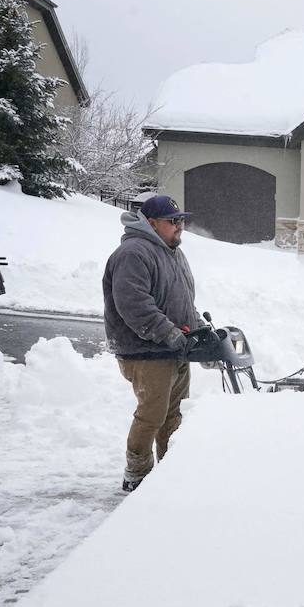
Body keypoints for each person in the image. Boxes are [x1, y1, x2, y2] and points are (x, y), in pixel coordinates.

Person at [102, 195, 202, 491]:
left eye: (181, 220)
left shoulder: (171, 252)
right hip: (146, 350)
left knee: (173, 414)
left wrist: (197, 328)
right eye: (173, 221)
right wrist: (168, 333)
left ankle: (169, 474)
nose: (179, 226)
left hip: (175, 347)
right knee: (152, 415)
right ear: (151, 222)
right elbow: (134, 305)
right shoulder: (134, 253)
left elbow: (181, 300)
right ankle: (138, 475)